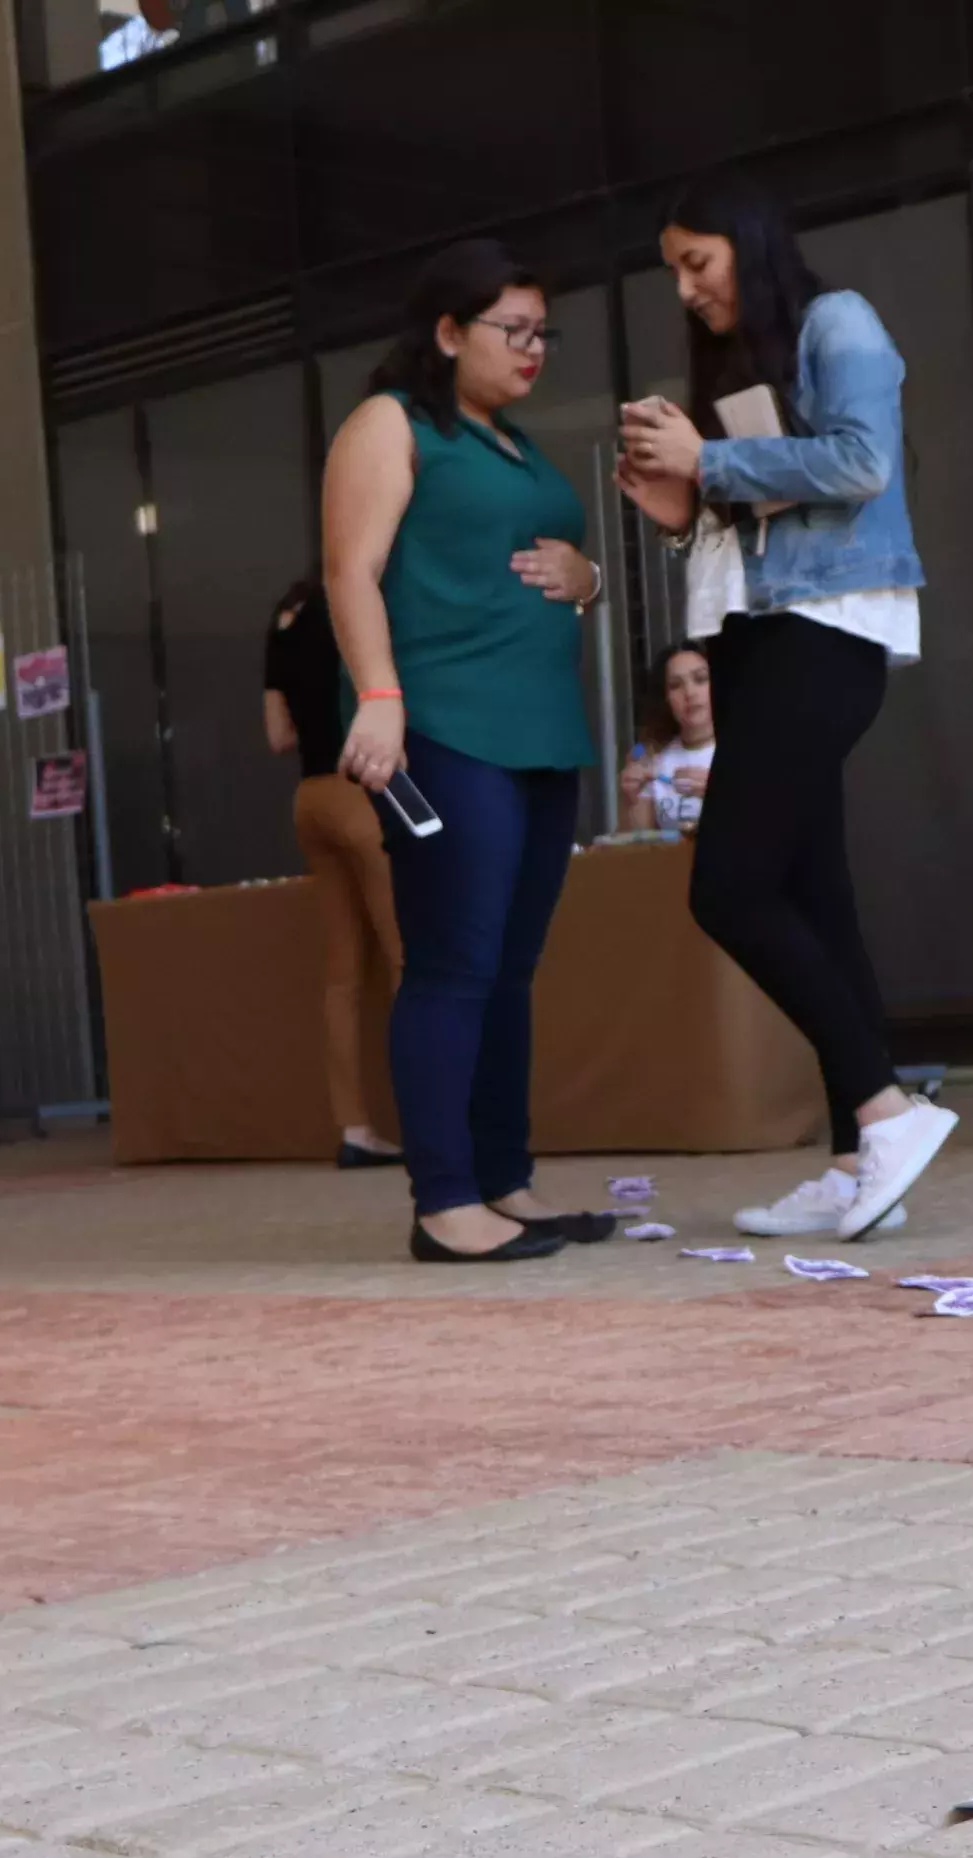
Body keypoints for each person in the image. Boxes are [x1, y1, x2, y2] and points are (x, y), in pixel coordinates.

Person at [616, 173, 954, 1244]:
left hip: (827, 628)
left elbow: (862, 459)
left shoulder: (837, 319)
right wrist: (681, 509)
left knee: (728, 887)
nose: (685, 286)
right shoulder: (741, 355)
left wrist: (705, 456)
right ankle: (862, 1162)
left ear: (750, 246)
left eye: (698, 261)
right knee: (817, 895)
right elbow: (751, 520)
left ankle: (884, 1110)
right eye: (673, 267)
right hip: (755, 633)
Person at [323, 236, 607, 1263]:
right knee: (452, 962)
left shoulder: (514, 444)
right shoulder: (390, 425)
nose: (535, 350)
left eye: (545, 333)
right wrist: (381, 700)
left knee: (511, 969)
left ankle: (503, 1180)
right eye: (513, 330)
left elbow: (553, 565)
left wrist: (591, 578)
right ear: (448, 332)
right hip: (446, 727)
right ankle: (445, 1203)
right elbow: (350, 571)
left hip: (539, 731)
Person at [265, 575, 404, 1167]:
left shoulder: (285, 614)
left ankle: (354, 1127)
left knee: (343, 976)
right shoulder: (368, 599)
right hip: (362, 792)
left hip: (310, 799)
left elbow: (277, 735)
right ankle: (434, 1122)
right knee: (409, 959)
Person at [619, 644, 718, 834]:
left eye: (700, 679)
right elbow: (637, 849)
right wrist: (631, 799)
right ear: (666, 698)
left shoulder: (744, 751)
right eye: (675, 685)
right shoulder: (654, 759)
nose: (689, 693)